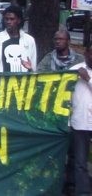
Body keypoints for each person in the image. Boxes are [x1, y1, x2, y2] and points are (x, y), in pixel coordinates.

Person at [68, 45, 92, 196]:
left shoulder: (83, 74)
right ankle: (82, 192)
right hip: (80, 122)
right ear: (86, 54)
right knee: (80, 162)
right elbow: (67, 96)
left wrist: (88, 79)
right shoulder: (75, 70)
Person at [0, 5, 37, 72]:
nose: (8, 22)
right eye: (6, 19)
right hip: (0, 81)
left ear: (19, 20)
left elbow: (32, 66)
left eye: (12, 19)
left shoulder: (29, 40)